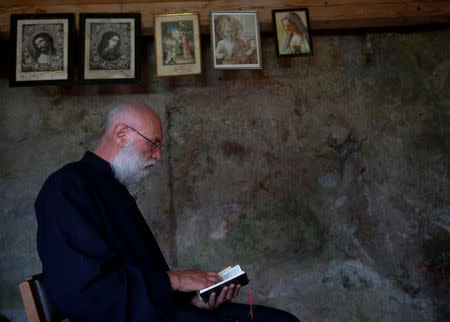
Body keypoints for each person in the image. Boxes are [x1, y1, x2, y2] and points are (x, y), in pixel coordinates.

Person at [35, 102, 300, 322]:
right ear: (121, 135)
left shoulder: (112, 188)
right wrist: (176, 280)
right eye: (153, 144)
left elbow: (143, 279)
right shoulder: (67, 188)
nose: (158, 156)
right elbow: (86, 292)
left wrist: (197, 300)